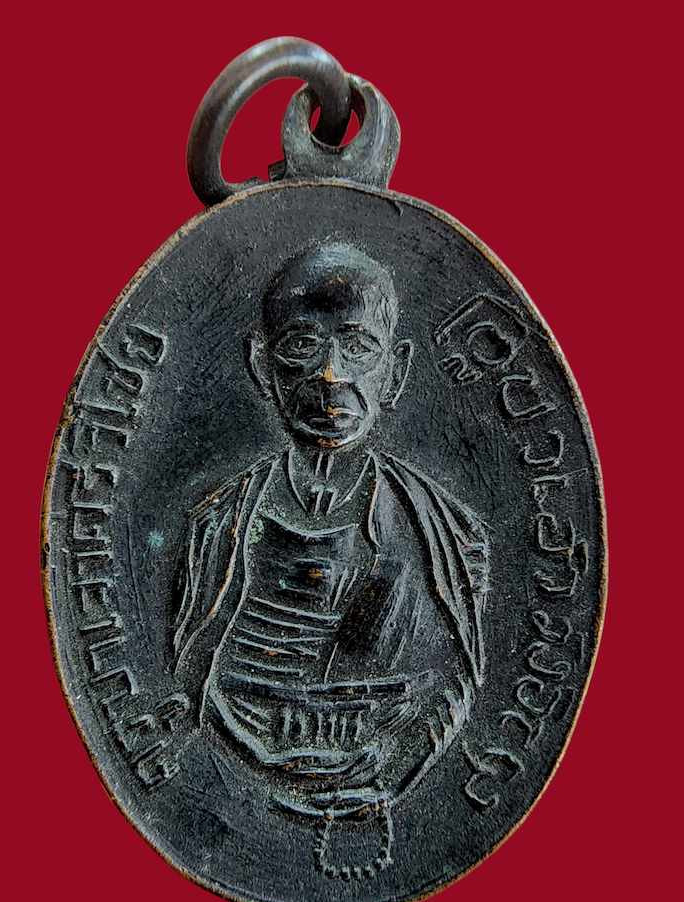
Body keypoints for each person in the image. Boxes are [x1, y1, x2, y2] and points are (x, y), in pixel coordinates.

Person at [172, 242, 489, 824]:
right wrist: (256, 758)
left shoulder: (446, 535)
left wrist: (391, 770)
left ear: (395, 372)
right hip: (239, 784)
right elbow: (189, 680)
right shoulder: (217, 526)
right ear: (262, 368)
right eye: (301, 346)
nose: (330, 374)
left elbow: (452, 684)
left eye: (359, 347)